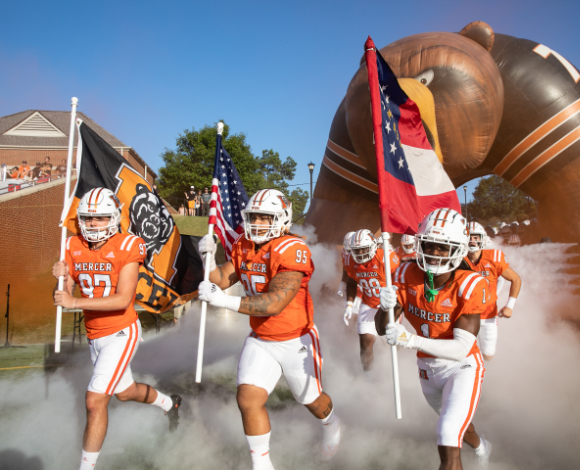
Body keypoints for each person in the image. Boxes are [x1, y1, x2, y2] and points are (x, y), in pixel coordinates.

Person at [198, 189, 341, 470]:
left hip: (296, 339)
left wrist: (223, 301)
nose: (258, 223)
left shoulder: (293, 249)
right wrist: (208, 259)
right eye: (254, 217)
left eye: (266, 218)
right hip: (261, 339)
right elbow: (221, 279)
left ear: (282, 220)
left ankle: (332, 424)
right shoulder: (244, 245)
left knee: (310, 399)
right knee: (248, 398)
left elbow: (276, 302)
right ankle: (261, 465)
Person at [52, 187, 182, 470]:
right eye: (87, 218)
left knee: (95, 400)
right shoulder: (73, 245)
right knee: (125, 391)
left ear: (113, 218)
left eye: (99, 219)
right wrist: (61, 278)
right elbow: (67, 288)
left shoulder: (128, 245)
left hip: (121, 332)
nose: (92, 224)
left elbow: (124, 298)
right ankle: (169, 404)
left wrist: (73, 300)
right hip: (94, 334)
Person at [377, 208, 492, 470]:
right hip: (427, 368)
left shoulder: (470, 283)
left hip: (461, 367)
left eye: (443, 247)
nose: (434, 253)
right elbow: (385, 330)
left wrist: (411, 340)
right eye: (429, 244)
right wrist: (385, 308)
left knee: (448, 430)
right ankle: (481, 445)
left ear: (459, 249)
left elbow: (461, 348)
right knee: (455, 424)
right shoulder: (405, 275)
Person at [464, 221, 522, 360]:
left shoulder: (493, 257)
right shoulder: (457, 259)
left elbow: (515, 279)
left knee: (488, 356)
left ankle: (486, 377)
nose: (472, 240)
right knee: (464, 355)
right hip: (463, 317)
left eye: (476, 237)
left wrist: (509, 306)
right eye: (469, 237)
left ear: (482, 238)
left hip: (487, 316)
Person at [344, 229, 399, 374]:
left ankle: (394, 372)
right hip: (368, 304)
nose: (361, 253)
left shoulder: (385, 257)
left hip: (388, 305)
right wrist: (349, 305)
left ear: (374, 246)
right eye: (357, 250)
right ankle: (368, 376)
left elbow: (400, 276)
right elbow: (351, 282)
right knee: (365, 342)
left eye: (364, 249)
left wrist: (396, 298)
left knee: (391, 342)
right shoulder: (351, 260)